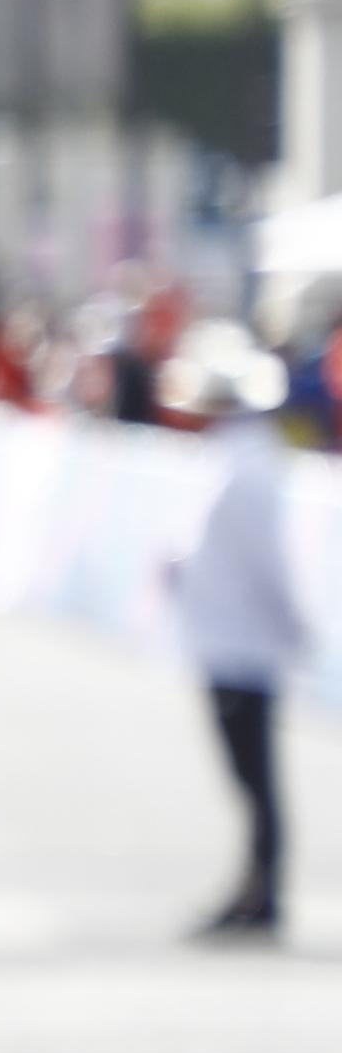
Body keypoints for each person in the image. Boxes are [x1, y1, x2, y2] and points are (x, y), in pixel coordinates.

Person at [168, 345, 305, 942]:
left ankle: (262, 891)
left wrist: (290, 625)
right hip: (227, 636)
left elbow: (265, 561)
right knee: (247, 777)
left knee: (255, 778)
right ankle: (255, 887)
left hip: (243, 640)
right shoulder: (230, 458)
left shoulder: (246, 467)